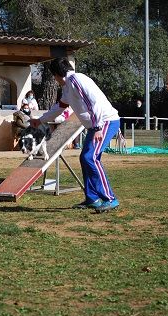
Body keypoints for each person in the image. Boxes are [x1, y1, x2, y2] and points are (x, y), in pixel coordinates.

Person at [30, 57, 120, 213]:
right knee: (85, 158)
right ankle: (92, 199)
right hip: (96, 125)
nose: (55, 80)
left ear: (57, 74)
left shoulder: (76, 80)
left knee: (90, 157)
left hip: (105, 122)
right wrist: (40, 120)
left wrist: (98, 127)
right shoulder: (67, 87)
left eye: (54, 76)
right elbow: (59, 108)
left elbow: (94, 103)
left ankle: (110, 199)